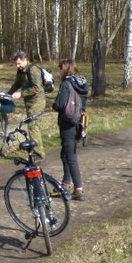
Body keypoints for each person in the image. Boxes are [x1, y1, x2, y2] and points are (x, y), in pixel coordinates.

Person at [54, 59, 90, 201]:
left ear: (65, 68)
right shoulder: (82, 83)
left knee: (70, 156)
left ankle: (78, 189)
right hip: (79, 121)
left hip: (67, 123)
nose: (59, 71)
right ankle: (66, 184)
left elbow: (59, 105)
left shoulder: (66, 84)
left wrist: (53, 105)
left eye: (60, 68)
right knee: (66, 153)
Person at [8, 50, 46, 156]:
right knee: (31, 125)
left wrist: (21, 94)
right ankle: (35, 150)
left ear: (25, 60)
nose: (17, 66)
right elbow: (17, 84)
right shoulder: (21, 71)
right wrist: (7, 95)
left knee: (33, 126)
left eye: (19, 63)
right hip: (28, 102)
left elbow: (36, 88)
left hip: (37, 102)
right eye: (15, 64)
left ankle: (39, 154)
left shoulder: (33, 70)